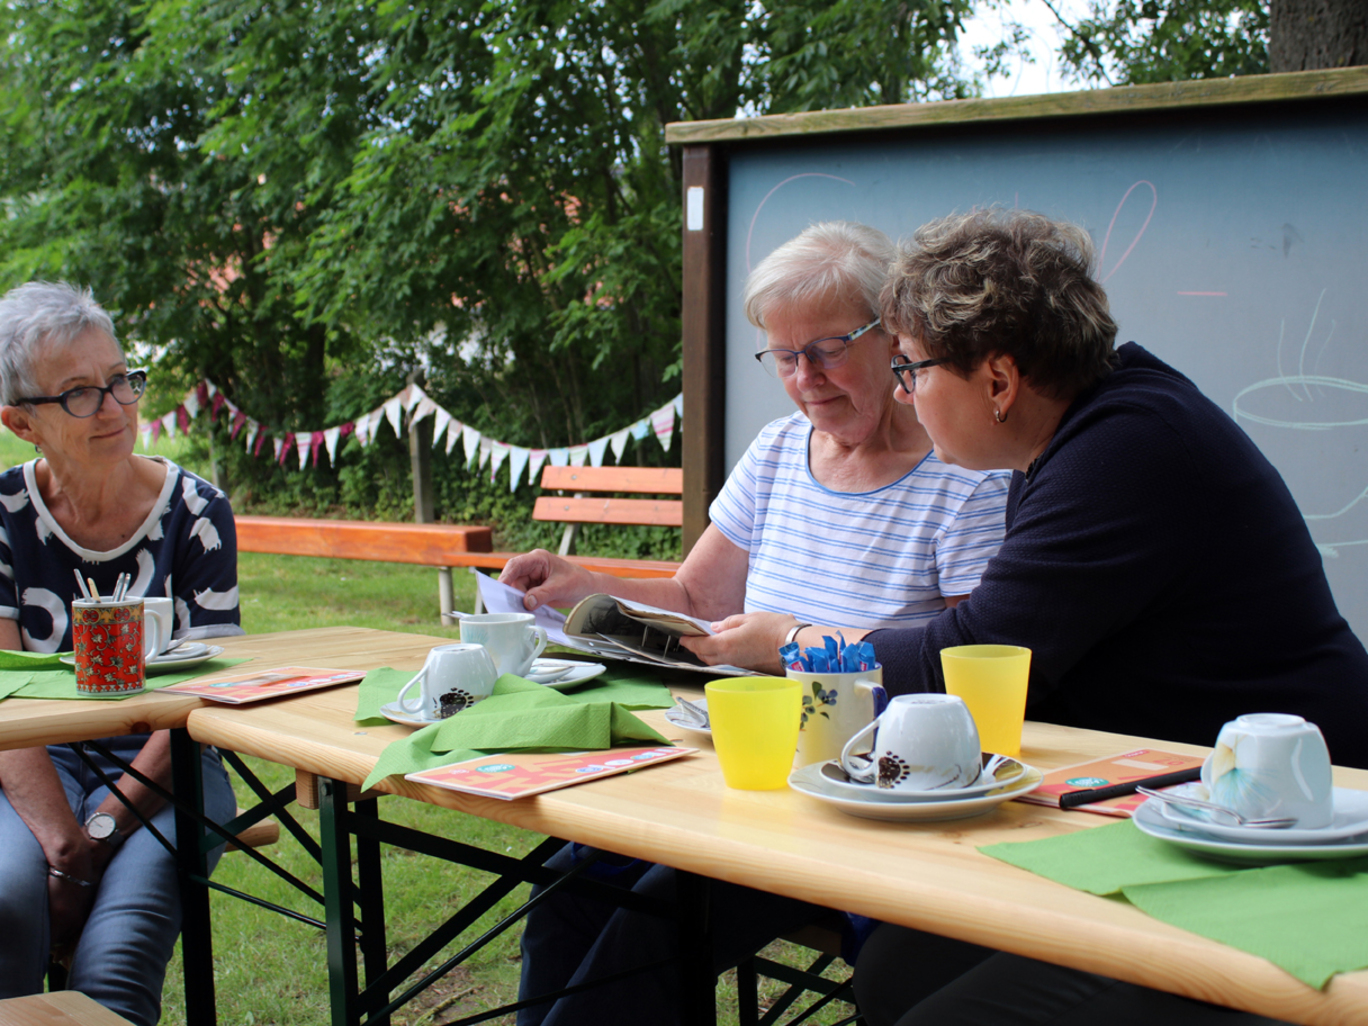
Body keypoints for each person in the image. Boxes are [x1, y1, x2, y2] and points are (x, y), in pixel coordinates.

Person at [849, 208, 1368, 1025]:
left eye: (911, 368)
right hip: (1169, 810)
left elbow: (974, 657)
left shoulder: (1126, 449)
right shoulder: (1078, 437)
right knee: (892, 975)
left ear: (998, 381)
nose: (904, 394)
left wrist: (804, 647)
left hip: (1284, 837)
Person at [501, 222, 1012, 1026]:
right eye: (784, 356)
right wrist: (582, 583)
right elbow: (699, 599)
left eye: (828, 348)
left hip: (845, 802)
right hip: (727, 772)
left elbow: (965, 676)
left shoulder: (962, 478)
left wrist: (792, 645)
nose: (804, 378)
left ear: (893, 335)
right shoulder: (778, 452)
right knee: (564, 890)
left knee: (650, 925)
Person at [0, 281, 241, 1026]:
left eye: (120, 380)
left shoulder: (197, 511)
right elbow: (3, 696)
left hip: (173, 760)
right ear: (20, 422)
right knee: (8, 906)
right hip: (30, 760)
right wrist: (59, 842)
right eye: (78, 392)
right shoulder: (2, 516)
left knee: (120, 950)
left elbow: (203, 700)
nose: (114, 407)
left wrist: (98, 830)